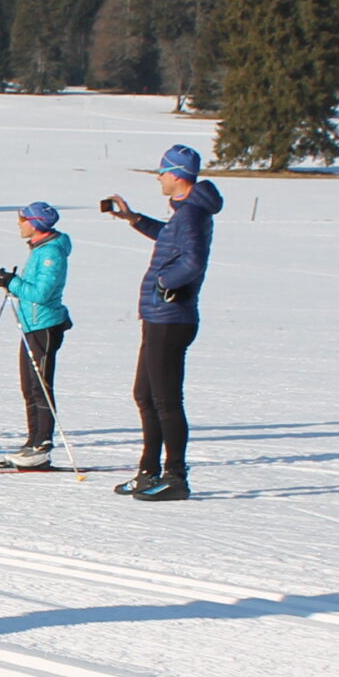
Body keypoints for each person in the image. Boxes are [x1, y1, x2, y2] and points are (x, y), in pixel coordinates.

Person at [104, 144, 218, 501]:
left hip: (171, 318)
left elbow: (194, 261)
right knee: (145, 394)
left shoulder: (191, 214)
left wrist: (165, 283)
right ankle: (148, 471)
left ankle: (175, 477)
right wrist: (134, 218)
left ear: (177, 175)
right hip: (160, 316)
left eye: (162, 172)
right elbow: (170, 238)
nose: (159, 178)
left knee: (166, 399)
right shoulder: (185, 212)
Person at [0, 202, 73, 469]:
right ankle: (33, 440)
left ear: (37, 223)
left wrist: (12, 282)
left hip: (44, 325)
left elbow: (41, 293)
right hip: (31, 325)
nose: (20, 224)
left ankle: (43, 444)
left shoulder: (51, 253)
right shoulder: (39, 248)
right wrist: (10, 281)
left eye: (24, 220)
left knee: (40, 386)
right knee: (29, 386)